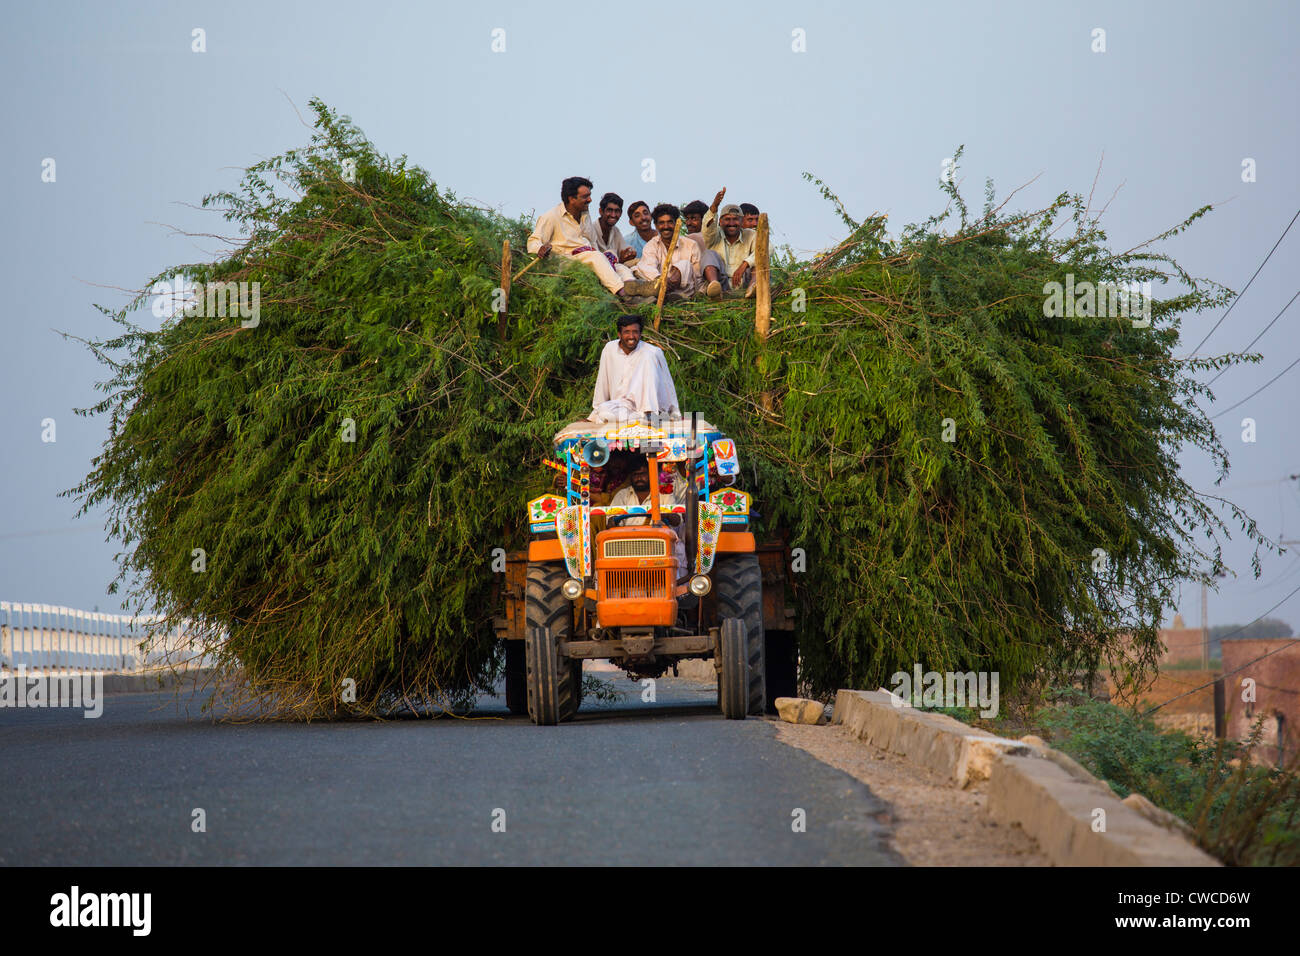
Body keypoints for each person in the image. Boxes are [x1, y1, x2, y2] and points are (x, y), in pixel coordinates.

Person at [528, 177, 635, 296]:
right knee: (596, 257)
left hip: (588, 257)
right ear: (571, 199)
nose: (590, 200)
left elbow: (591, 241)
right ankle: (623, 293)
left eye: (589, 195)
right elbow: (533, 241)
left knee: (618, 266)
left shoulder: (584, 214)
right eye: (585, 197)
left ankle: (635, 291)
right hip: (566, 261)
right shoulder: (551, 216)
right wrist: (540, 249)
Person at [590, 314, 680, 423]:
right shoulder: (609, 349)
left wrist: (674, 411)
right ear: (619, 334)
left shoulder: (653, 352)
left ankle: (649, 414)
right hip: (624, 407)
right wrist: (596, 411)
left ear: (640, 333)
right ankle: (642, 418)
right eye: (627, 332)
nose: (631, 336)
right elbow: (602, 381)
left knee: (648, 356)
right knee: (603, 412)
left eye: (635, 332)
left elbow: (667, 383)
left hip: (651, 407)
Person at [609, 456, 688, 577]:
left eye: (643, 474)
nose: (639, 478)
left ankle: (676, 588)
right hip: (627, 546)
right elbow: (609, 522)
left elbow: (677, 520)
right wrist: (613, 521)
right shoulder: (622, 495)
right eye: (635, 474)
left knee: (678, 549)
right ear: (631, 477)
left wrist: (664, 513)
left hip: (659, 544)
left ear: (652, 474)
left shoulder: (664, 494)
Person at [634, 203, 702, 299]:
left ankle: (668, 292)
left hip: (684, 292)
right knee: (640, 266)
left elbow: (697, 276)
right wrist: (662, 281)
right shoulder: (651, 245)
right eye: (661, 223)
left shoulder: (691, 245)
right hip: (659, 290)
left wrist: (676, 278)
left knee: (685, 264)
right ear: (656, 226)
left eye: (670, 222)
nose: (666, 226)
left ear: (676, 224)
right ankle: (660, 288)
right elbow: (648, 267)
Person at [701, 190, 756, 292]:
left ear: (742, 221)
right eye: (727, 219)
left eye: (735, 219)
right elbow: (707, 230)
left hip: (744, 281)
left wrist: (745, 264)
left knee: (758, 263)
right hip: (721, 282)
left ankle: (753, 289)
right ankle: (715, 288)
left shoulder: (750, 234)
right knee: (708, 254)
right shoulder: (715, 235)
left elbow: (766, 249)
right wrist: (714, 206)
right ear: (720, 222)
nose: (731, 223)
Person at [681, 199, 725, 299]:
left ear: (704, 220)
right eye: (687, 219)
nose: (689, 223)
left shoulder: (705, 236)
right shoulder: (688, 239)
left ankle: (712, 288)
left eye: (693, 219)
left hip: (711, 280)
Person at [592, 192, 637, 266]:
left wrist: (629, 254)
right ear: (601, 211)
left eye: (617, 211)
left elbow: (624, 253)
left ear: (621, 213)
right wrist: (620, 260)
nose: (613, 215)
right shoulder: (591, 229)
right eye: (609, 210)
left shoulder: (616, 231)